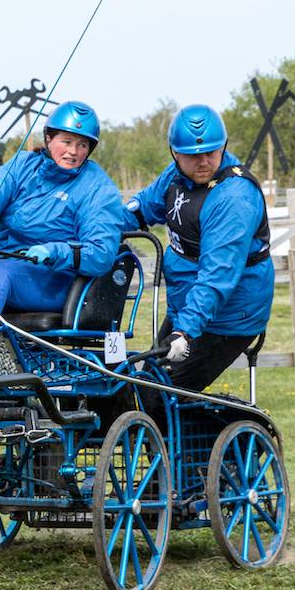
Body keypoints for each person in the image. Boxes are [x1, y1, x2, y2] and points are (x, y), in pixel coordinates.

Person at [0, 100, 126, 329]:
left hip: (58, 284)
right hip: (2, 277)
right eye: (67, 142)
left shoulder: (97, 187)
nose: (73, 151)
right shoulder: (22, 165)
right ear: (49, 138)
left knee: (3, 269)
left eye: (82, 145)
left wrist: (54, 251)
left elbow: (101, 253)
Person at [122, 104, 274, 394]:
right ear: (175, 154)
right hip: (186, 305)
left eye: (211, 153)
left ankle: (205, 425)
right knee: (145, 386)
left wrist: (185, 331)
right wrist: (98, 234)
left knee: (157, 397)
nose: (203, 162)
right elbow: (140, 209)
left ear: (223, 147)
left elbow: (218, 274)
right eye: (192, 155)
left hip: (227, 317)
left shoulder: (234, 198)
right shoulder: (176, 177)